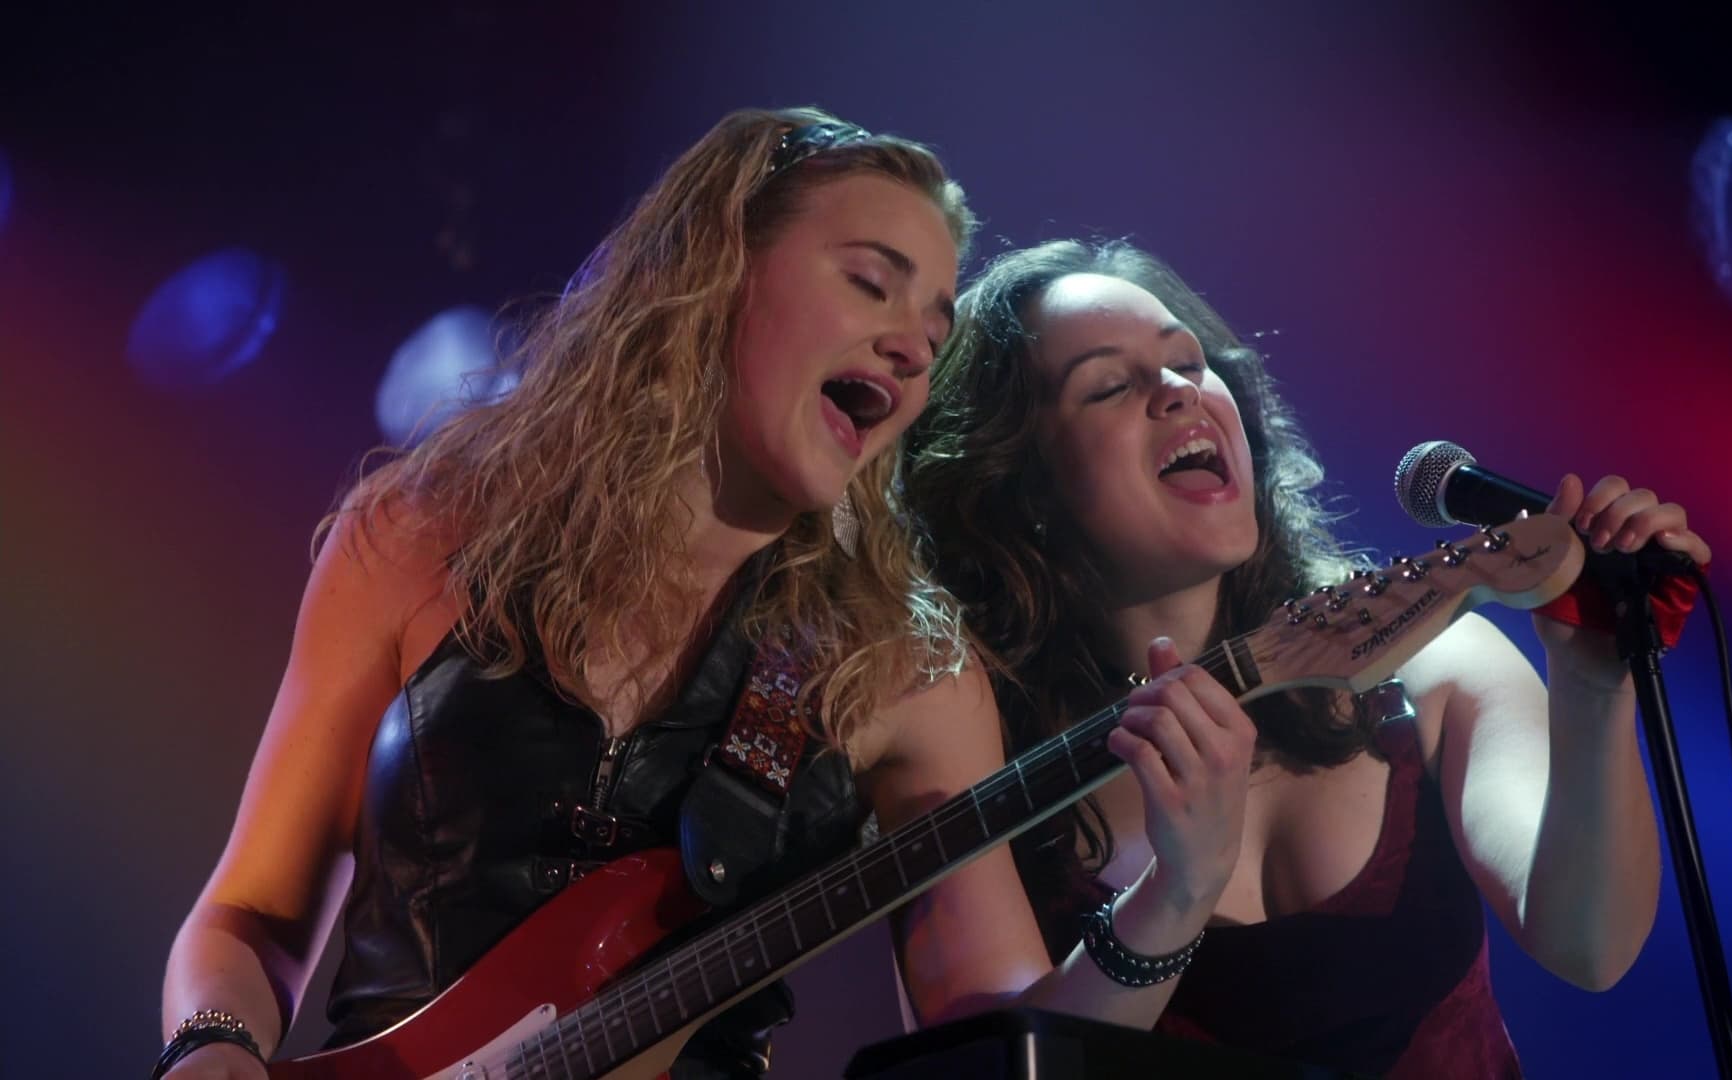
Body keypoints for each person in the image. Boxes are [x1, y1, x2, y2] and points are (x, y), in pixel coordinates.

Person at [162, 107, 1238, 1080]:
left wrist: (1173, 899)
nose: (913, 345)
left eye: (935, 330)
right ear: (718, 269)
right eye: (871, 283)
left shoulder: (904, 665)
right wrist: (211, 1048)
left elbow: (999, 1049)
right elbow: (251, 911)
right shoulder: (418, 533)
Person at [900, 238, 1712, 1078]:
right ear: (1018, 485)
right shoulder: (974, 758)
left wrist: (1591, 685)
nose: (1178, 389)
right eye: (1108, 386)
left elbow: (1590, 947)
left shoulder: (1433, 661)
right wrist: (1176, 894)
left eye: (1190, 362)